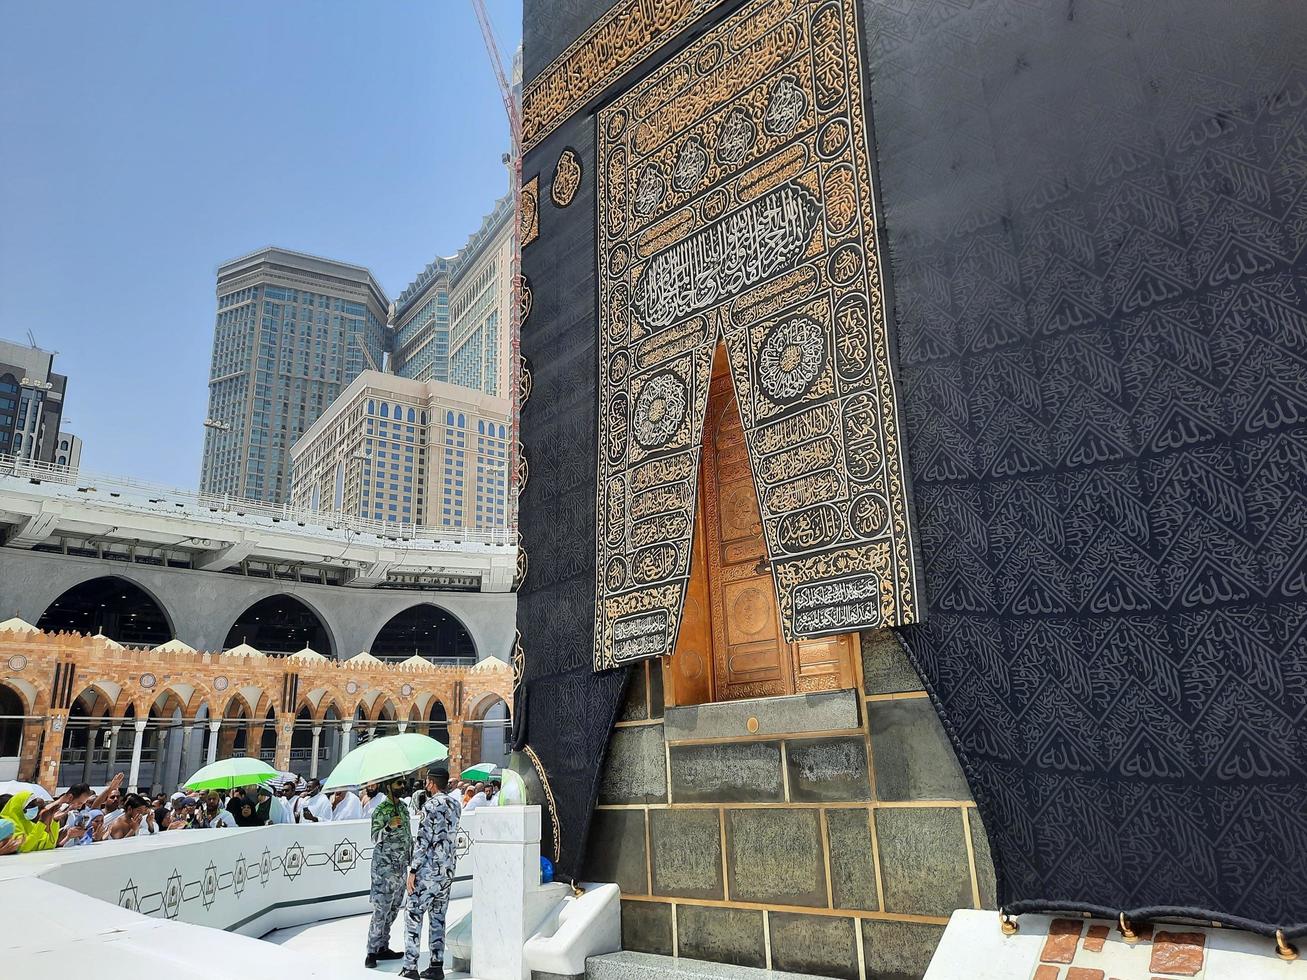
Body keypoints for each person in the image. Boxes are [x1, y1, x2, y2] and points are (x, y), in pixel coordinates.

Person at [400, 767, 461, 980]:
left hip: (428, 870)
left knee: (413, 915)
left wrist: (413, 869)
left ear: (432, 783)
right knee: (438, 918)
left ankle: (410, 966)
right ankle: (436, 965)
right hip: (447, 870)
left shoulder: (430, 805)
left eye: (427, 781)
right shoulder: (456, 804)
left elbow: (423, 840)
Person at [365, 777, 411, 968]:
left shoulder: (403, 808)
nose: (402, 787)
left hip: (400, 868)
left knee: (393, 909)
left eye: (402, 783)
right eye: (398, 784)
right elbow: (374, 837)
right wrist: (389, 826)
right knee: (381, 909)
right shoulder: (381, 811)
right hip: (384, 869)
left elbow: (407, 835)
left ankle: (383, 946)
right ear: (388, 787)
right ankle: (371, 951)